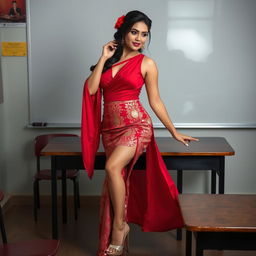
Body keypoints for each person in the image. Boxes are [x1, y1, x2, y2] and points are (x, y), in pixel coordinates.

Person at [81, 10, 198, 256]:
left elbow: (155, 101)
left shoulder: (147, 63)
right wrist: (103, 58)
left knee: (112, 168)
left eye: (144, 35)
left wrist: (173, 131)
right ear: (123, 31)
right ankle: (121, 231)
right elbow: (91, 89)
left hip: (137, 126)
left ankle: (120, 228)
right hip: (109, 130)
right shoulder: (108, 61)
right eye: (135, 32)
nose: (139, 38)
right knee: (117, 177)